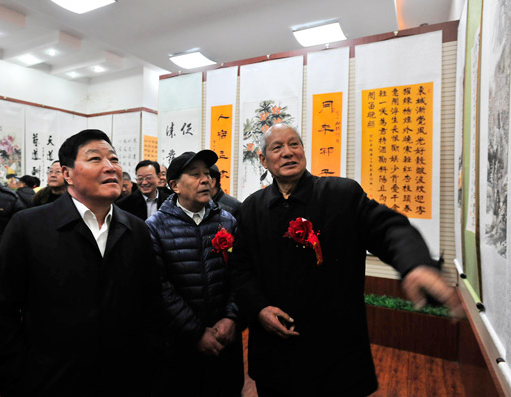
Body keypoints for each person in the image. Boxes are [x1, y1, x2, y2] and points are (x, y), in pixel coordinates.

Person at [230, 124, 463, 396]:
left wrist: (414, 263)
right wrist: (259, 308)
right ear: (263, 159)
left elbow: (387, 227)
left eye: (294, 144)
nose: (288, 152)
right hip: (275, 356)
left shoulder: (341, 195)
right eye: (277, 147)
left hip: (334, 355)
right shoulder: (251, 208)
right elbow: (241, 268)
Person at [0, 129, 161, 397]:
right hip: (49, 379)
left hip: (124, 377)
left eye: (114, 159)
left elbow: (151, 305)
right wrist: (18, 373)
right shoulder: (29, 226)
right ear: (67, 174)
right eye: (95, 159)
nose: (111, 167)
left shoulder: (136, 229)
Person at [146, 150, 243, 397]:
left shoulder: (227, 221)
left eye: (207, 174)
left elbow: (240, 273)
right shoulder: (155, 227)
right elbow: (159, 286)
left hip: (225, 339)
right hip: (181, 345)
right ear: (175, 185)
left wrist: (231, 318)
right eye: (195, 174)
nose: (205, 180)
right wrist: (197, 332)